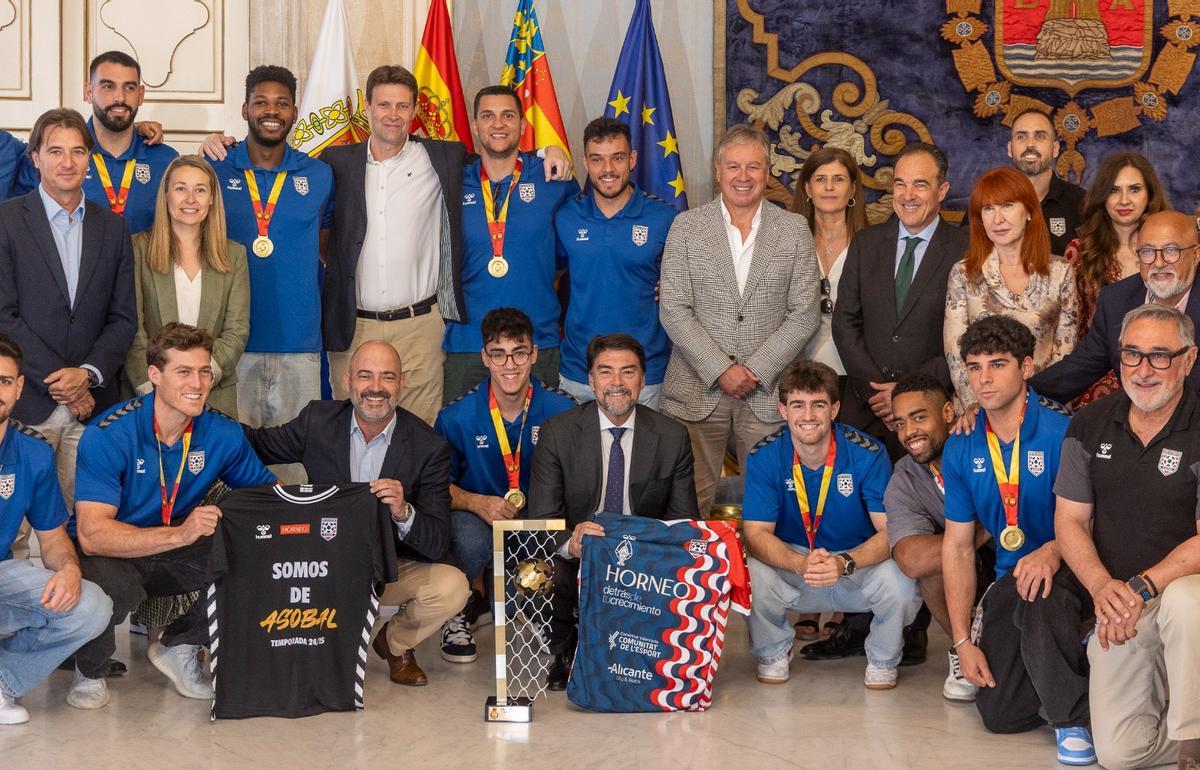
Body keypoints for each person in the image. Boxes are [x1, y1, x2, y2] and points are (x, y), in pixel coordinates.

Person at [311, 68, 569, 424]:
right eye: (384, 104)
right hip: (356, 324)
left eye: (403, 106)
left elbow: (499, 154)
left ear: (415, 110)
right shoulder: (335, 162)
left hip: (421, 327)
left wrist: (548, 148)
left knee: (423, 435)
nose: (393, 114)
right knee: (353, 429)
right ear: (367, 107)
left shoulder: (440, 158)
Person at [69, 323, 275, 710]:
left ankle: (179, 646)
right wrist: (181, 535)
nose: (197, 383)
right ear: (154, 375)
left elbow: (268, 498)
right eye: (184, 372)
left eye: (204, 371)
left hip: (174, 549)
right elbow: (93, 535)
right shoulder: (109, 434)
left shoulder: (222, 433)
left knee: (258, 549)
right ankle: (90, 668)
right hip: (109, 552)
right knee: (114, 587)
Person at [246, 340, 468, 687]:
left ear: (401, 384)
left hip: (388, 568)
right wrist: (200, 418)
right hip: (322, 565)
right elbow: (257, 444)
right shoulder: (317, 421)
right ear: (348, 379)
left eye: (387, 377)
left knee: (452, 586)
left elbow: (438, 542)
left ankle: (394, 643)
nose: (376, 388)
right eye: (365, 376)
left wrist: (403, 510)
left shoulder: (429, 447)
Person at [941, 315, 1095, 766]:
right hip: (1011, 580)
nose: (983, 379)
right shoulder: (962, 444)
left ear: (1027, 368)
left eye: (998, 364)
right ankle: (1072, 666)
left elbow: (1099, 517)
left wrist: (1052, 550)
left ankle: (1071, 718)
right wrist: (961, 642)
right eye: (974, 367)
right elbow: (958, 547)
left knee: (1041, 588)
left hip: (1077, 569)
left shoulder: (1065, 429)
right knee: (1001, 715)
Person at [1054, 304, 1200, 770]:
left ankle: (1190, 753)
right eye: (1132, 354)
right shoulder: (1089, 423)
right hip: (1122, 601)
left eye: (1160, 356)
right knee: (1121, 754)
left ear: (1189, 360)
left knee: (1185, 604)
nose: (1143, 369)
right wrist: (1103, 589)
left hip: (1180, 591)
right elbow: (1070, 521)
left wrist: (1142, 586)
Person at [659, 124, 819, 515]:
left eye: (753, 167)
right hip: (695, 393)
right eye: (734, 166)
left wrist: (755, 370)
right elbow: (673, 309)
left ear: (768, 172)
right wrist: (721, 369)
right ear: (718, 171)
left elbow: (805, 312)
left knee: (770, 508)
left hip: (766, 396)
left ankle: (760, 579)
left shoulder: (794, 229)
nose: (743, 177)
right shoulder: (686, 227)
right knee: (687, 507)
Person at [528, 333, 699, 690]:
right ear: (590, 380)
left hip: (644, 559)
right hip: (580, 553)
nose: (617, 383)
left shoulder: (672, 436)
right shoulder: (557, 434)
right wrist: (570, 543)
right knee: (536, 570)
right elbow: (542, 516)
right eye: (605, 372)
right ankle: (562, 649)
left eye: (628, 372)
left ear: (642, 379)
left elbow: (685, 522)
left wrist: (646, 552)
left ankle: (648, 648)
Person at [0, 108, 137, 543]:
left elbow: (123, 319)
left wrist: (87, 377)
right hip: (27, 406)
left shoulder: (113, 228)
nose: (67, 161)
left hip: (93, 408)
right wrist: (61, 383)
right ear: (35, 158)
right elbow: (4, 316)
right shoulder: (5, 221)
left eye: (78, 151)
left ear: (89, 158)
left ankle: (80, 613)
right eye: (55, 150)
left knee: (83, 533)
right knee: (16, 535)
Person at [742, 360, 918, 689]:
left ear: (834, 409)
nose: (808, 416)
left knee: (903, 576)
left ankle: (883, 657)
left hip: (855, 565)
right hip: (797, 567)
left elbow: (890, 532)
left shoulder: (868, 453)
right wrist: (799, 562)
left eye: (818, 405)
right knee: (749, 571)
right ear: (783, 410)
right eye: (798, 405)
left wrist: (843, 562)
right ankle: (772, 652)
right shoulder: (764, 456)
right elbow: (755, 535)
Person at [433, 307, 574, 663]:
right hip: (480, 522)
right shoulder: (455, 417)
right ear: (485, 357)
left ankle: (535, 605)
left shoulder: (563, 410)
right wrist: (475, 502)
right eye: (498, 354)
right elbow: (435, 489)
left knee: (557, 534)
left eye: (519, 353)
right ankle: (459, 609)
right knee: (465, 537)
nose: (509, 365)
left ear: (534, 354)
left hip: (538, 523)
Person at [205, 66, 333, 444]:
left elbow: (328, 249)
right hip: (230, 345)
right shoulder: (213, 167)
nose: (271, 111)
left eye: (281, 103)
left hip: (300, 345)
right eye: (261, 102)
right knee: (231, 464)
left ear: (294, 113)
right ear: (244, 109)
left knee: (295, 468)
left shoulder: (321, 174)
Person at [441, 86, 579, 402]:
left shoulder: (554, 178)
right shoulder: (451, 180)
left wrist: (548, 151)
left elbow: (577, 251)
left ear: (522, 124)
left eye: (508, 115)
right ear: (474, 126)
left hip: (537, 341)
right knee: (465, 442)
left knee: (544, 444)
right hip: (467, 341)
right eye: (487, 116)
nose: (498, 124)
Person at [0, 334, 111, 725]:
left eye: (4, 381)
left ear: (18, 389)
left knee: (90, 605)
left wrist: (67, 570)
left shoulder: (32, 452)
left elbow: (53, 539)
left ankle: (2, 683)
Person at [832, 141, 968, 460]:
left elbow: (965, 339)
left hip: (929, 413)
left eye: (920, 185)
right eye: (900, 184)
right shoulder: (867, 243)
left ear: (942, 189)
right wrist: (875, 391)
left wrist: (905, 391)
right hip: (866, 411)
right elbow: (845, 323)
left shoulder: (966, 250)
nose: (908, 195)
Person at [555, 117, 677, 409]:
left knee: (644, 454)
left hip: (646, 372)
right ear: (585, 162)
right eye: (597, 159)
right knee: (579, 455)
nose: (607, 170)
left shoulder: (664, 218)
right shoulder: (566, 216)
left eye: (617, 158)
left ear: (632, 159)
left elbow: (688, 285)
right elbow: (547, 274)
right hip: (579, 371)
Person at [884, 371, 992, 702]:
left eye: (919, 418)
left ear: (948, 413)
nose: (910, 432)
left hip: (1023, 555)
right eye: (901, 423)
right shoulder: (904, 475)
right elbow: (912, 559)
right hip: (973, 556)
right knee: (934, 569)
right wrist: (982, 530)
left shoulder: (983, 439)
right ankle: (964, 648)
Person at [944, 167, 1080, 411]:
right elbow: (956, 354)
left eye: (1007, 205)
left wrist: (1034, 408)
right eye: (988, 209)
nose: (998, 219)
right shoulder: (963, 274)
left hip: (1043, 407)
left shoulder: (1061, 271)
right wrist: (979, 406)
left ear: (1028, 211)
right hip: (979, 409)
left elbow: (1065, 354)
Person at [125, 155, 249, 417]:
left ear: (212, 198)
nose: (190, 199)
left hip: (214, 394)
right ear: (166, 194)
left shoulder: (234, 255)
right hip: (153, 395)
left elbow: (236, 331)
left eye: (200, 190)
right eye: (181, 188)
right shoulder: (137, 249)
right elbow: (132, 328)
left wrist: (199, 379)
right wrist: (157, 386)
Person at [1032, 210, 1200, 403]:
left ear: (1195, 255)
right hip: (1141, 420)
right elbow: (1077, 369)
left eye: (1171, 251)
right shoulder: (1117, 301)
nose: (1159, 262)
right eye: (1147, 251)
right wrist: (1018, 395)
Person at [1059, 156, 1171, 407]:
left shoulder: (1171, 253)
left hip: (1163, 375)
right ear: (1102, 197)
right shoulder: (1080, 252)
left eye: (1134, 189)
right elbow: (1072, 332)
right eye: (1114, 190)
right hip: (1095, 380)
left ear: (1150, 194)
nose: (1124, 200)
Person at [81, 51, 179, 234]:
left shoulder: (167, 160)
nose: (120, 98)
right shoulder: (67, 155)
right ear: (88, 92)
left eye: (129, 88)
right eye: (108, 87)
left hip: (146, 263)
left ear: (141, 95)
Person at [793, 146, 867, 384]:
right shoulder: (789, 241)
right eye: (820, 179)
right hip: (798, 367)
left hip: (855, 368)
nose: (829, 187)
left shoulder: (871, 243)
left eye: (838, 179)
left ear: (852, 188)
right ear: (807, 188)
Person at [1007, 108, 1085, 256]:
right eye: (1021, 137)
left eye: (1040, 136)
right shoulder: (988, 201)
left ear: (1055, 149)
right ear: (1010, 149)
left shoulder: (1082, 203)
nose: (1030, 144)